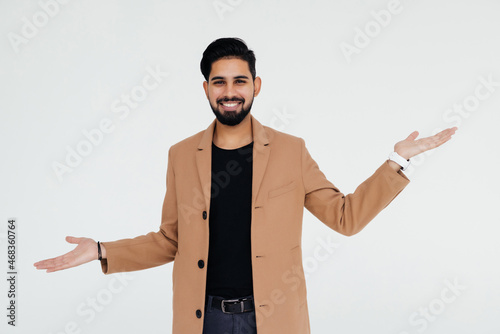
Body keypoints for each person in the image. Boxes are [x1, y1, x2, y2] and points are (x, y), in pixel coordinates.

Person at [34, 37, 458, 334]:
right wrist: (102, 250)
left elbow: (345, 217)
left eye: (240, 81)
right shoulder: (181, 155)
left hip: (273, 320)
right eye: (219, 82)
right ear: (206, 89)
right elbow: (170, 241)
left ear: (256, 86)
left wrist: (397, 159)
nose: (230, 92)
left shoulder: (292, 151)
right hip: (205, 320)